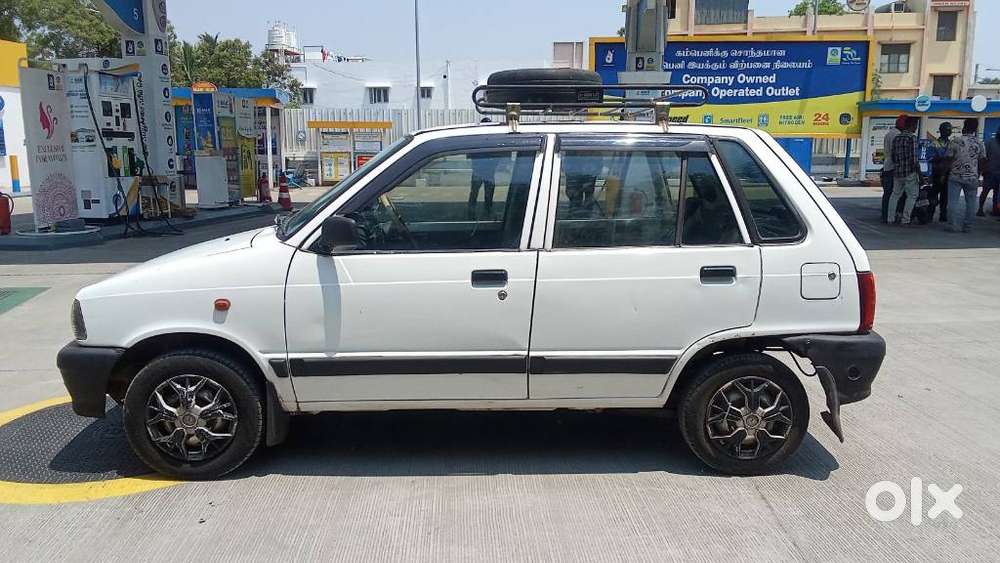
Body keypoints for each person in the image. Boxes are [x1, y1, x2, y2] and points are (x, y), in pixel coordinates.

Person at [945, 118, 987, 233]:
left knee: (952, 202)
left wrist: (946, 171)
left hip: (955, 175)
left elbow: (948, 158)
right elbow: (983, 160)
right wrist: (978, 174)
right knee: (971, 203)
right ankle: (968, 226)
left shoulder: (955, 141)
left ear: (964, 126)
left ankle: (951, 225)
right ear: (975, 128)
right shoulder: (979, 143)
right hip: (972, 176)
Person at [887, 117, 920, 225]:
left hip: (897, 171)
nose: (916, 128)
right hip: (909, 172)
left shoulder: (897, 138)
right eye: (915, 125)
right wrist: (919, 173)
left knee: (895, 195)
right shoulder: (912, 138)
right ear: (912, 126)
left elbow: (893, 156)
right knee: (912, 195)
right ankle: (905, 219)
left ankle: (890, 218)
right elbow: (914, 159)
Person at [880, 115, 908, 223]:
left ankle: (885, 215)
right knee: (895, 194)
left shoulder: (890, 134)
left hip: (887, 166)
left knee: (888, 193)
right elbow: (897, 154)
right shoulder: (898, 135)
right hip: (894, 168)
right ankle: (891, 215)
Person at [928, 122, 953, 222]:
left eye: (949, 130)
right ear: (941, 130)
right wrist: (941, 159)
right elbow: (930, 158)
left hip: (947, 173)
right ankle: (930, 214)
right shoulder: (934, 143)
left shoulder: (951, 144)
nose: (948, 132)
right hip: (936, 173)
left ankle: (943, 214)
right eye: (946, 130)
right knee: (933, 195)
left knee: (945, 196)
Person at [979, 128, 1000, 217]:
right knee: (985, 192)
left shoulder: (991, 142)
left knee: (996, 194)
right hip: (990, 172)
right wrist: (983, 169)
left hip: (997, 173)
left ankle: (995, 210)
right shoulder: (990, 142)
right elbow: (983, 157)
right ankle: (980, 209)